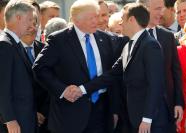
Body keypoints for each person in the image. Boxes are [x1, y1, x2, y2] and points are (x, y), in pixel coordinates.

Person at [76, 3, 167, 132]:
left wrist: (147, 119)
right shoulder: (128, 46)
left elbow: (155, 85)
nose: (120, 23)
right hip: (134, 119)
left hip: (150, 122)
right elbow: (112, 74)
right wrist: (82, 89)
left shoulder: (150, 45)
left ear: (132, 19)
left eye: (122, 19)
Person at [33, 0, 118, 132]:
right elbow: (40, 68)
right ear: (77, 20)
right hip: (70, 114)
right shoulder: (59, 40)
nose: (98, 21)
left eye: (97, 16)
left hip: (102, 111)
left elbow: (112, 72)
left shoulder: (105, 38)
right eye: (92, 18)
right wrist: (63, 90)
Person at [137, 0, 185, 132]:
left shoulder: (167, 36)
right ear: (144, 9)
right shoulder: (132, 36)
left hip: (166, 106)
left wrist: (178, 102)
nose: (162, 12)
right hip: (140, 107)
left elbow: (175, 71)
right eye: (157, 9)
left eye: (162, 8)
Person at [0, 1, 36, 133]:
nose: (32, 24)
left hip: (25, 118)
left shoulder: (15, 43)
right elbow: (2, 88)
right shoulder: (5, 45)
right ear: (18, 17)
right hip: (16, 122)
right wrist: (10, 120)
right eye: (30, 19)